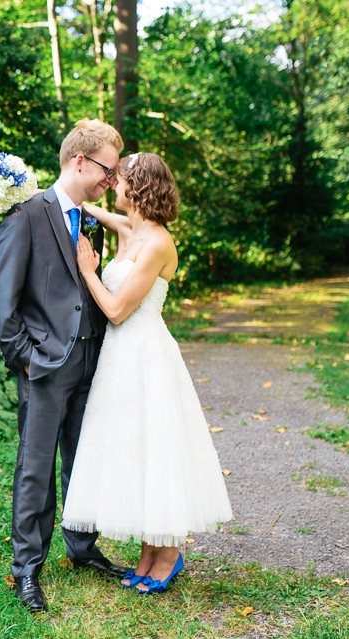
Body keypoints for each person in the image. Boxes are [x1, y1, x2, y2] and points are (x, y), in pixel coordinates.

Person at [60, 152, 233, 594]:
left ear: (137, 188)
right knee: (131, 448)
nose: (112, 185)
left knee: (156, 449)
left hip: (147, 356)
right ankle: (147, 551)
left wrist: (88, 272)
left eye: (118, 180)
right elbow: (85, 207)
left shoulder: (158, 242)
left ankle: (168, 553)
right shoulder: (130, 228)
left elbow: (117, 311)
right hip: (119, 361)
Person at [0, 119, 132, 614]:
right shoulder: (26, 215)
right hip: (45, 367)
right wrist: (27, 361)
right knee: (36, 468)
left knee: (83, 460)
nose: (110, 182)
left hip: (92, 360)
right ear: (80, 162)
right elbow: (3, 304)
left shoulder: (90, 220)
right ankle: (27, 568)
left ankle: (82, 547)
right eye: (107, 172)